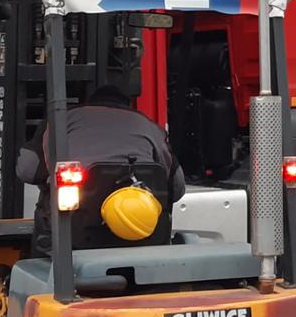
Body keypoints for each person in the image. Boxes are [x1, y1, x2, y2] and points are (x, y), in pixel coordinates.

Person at [16, 84, 184, 252]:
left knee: (52, 194)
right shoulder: (150, 126)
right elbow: (176, 188)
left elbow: (27, 170)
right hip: (144, 236)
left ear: (90, 102)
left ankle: (40, 258)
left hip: (75, 236)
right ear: (128, 105)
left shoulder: (61, 121)